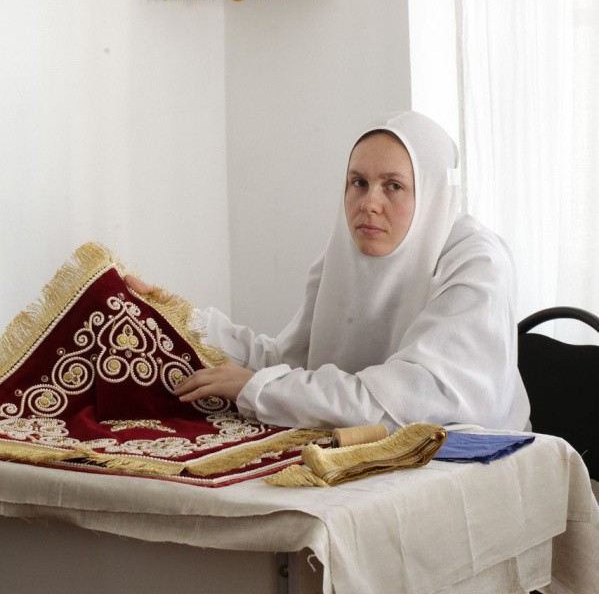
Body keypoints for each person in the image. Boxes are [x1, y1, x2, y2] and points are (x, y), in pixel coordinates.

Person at [127, 111, 530, 432]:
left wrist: (259, 389)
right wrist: (180, 320)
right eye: (359, 182)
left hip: (469, 466)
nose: (369, 203)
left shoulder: (477, 264)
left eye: (393, 186)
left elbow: (408, 408)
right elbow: (291, 361)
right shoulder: (342, 256)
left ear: (432, 193)